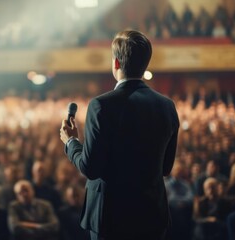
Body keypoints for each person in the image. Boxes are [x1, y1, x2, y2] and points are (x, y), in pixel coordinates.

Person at [60, 30, 179, 239]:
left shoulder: (101, 106)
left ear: (116, 63)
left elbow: (90, 168)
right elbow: (166, 168)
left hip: (110, 217)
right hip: (151, 215)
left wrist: (71, 142)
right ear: (145, 63)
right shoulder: (166, 106)